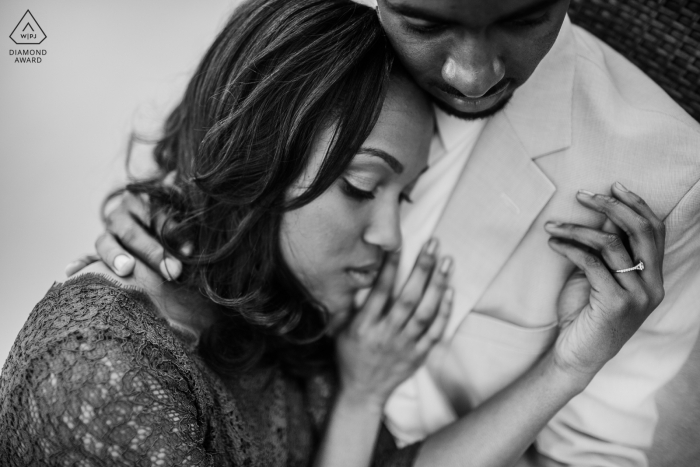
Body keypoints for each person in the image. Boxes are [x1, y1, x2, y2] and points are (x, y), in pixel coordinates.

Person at [0, 0, 671, 465]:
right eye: (359, 185)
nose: (390, 235)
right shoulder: (108, 373)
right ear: (256, 153)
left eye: (402, 194)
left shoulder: (282, 301)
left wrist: (568, 366)